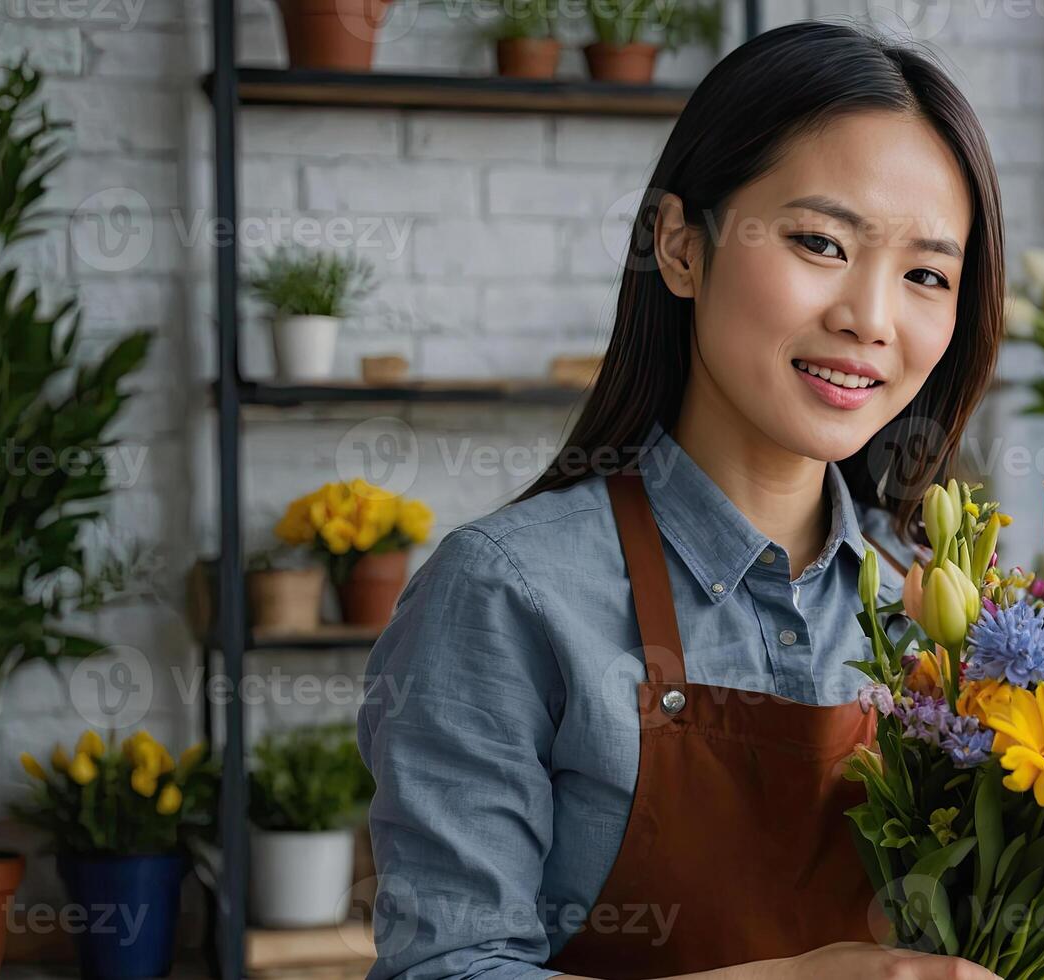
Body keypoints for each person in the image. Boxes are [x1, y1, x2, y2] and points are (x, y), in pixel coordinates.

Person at [357, 19, 1007, 980]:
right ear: (679, 247)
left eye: (924, 274)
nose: (869, 318)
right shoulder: (506, 594)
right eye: (821, 243)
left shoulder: (945, 618)